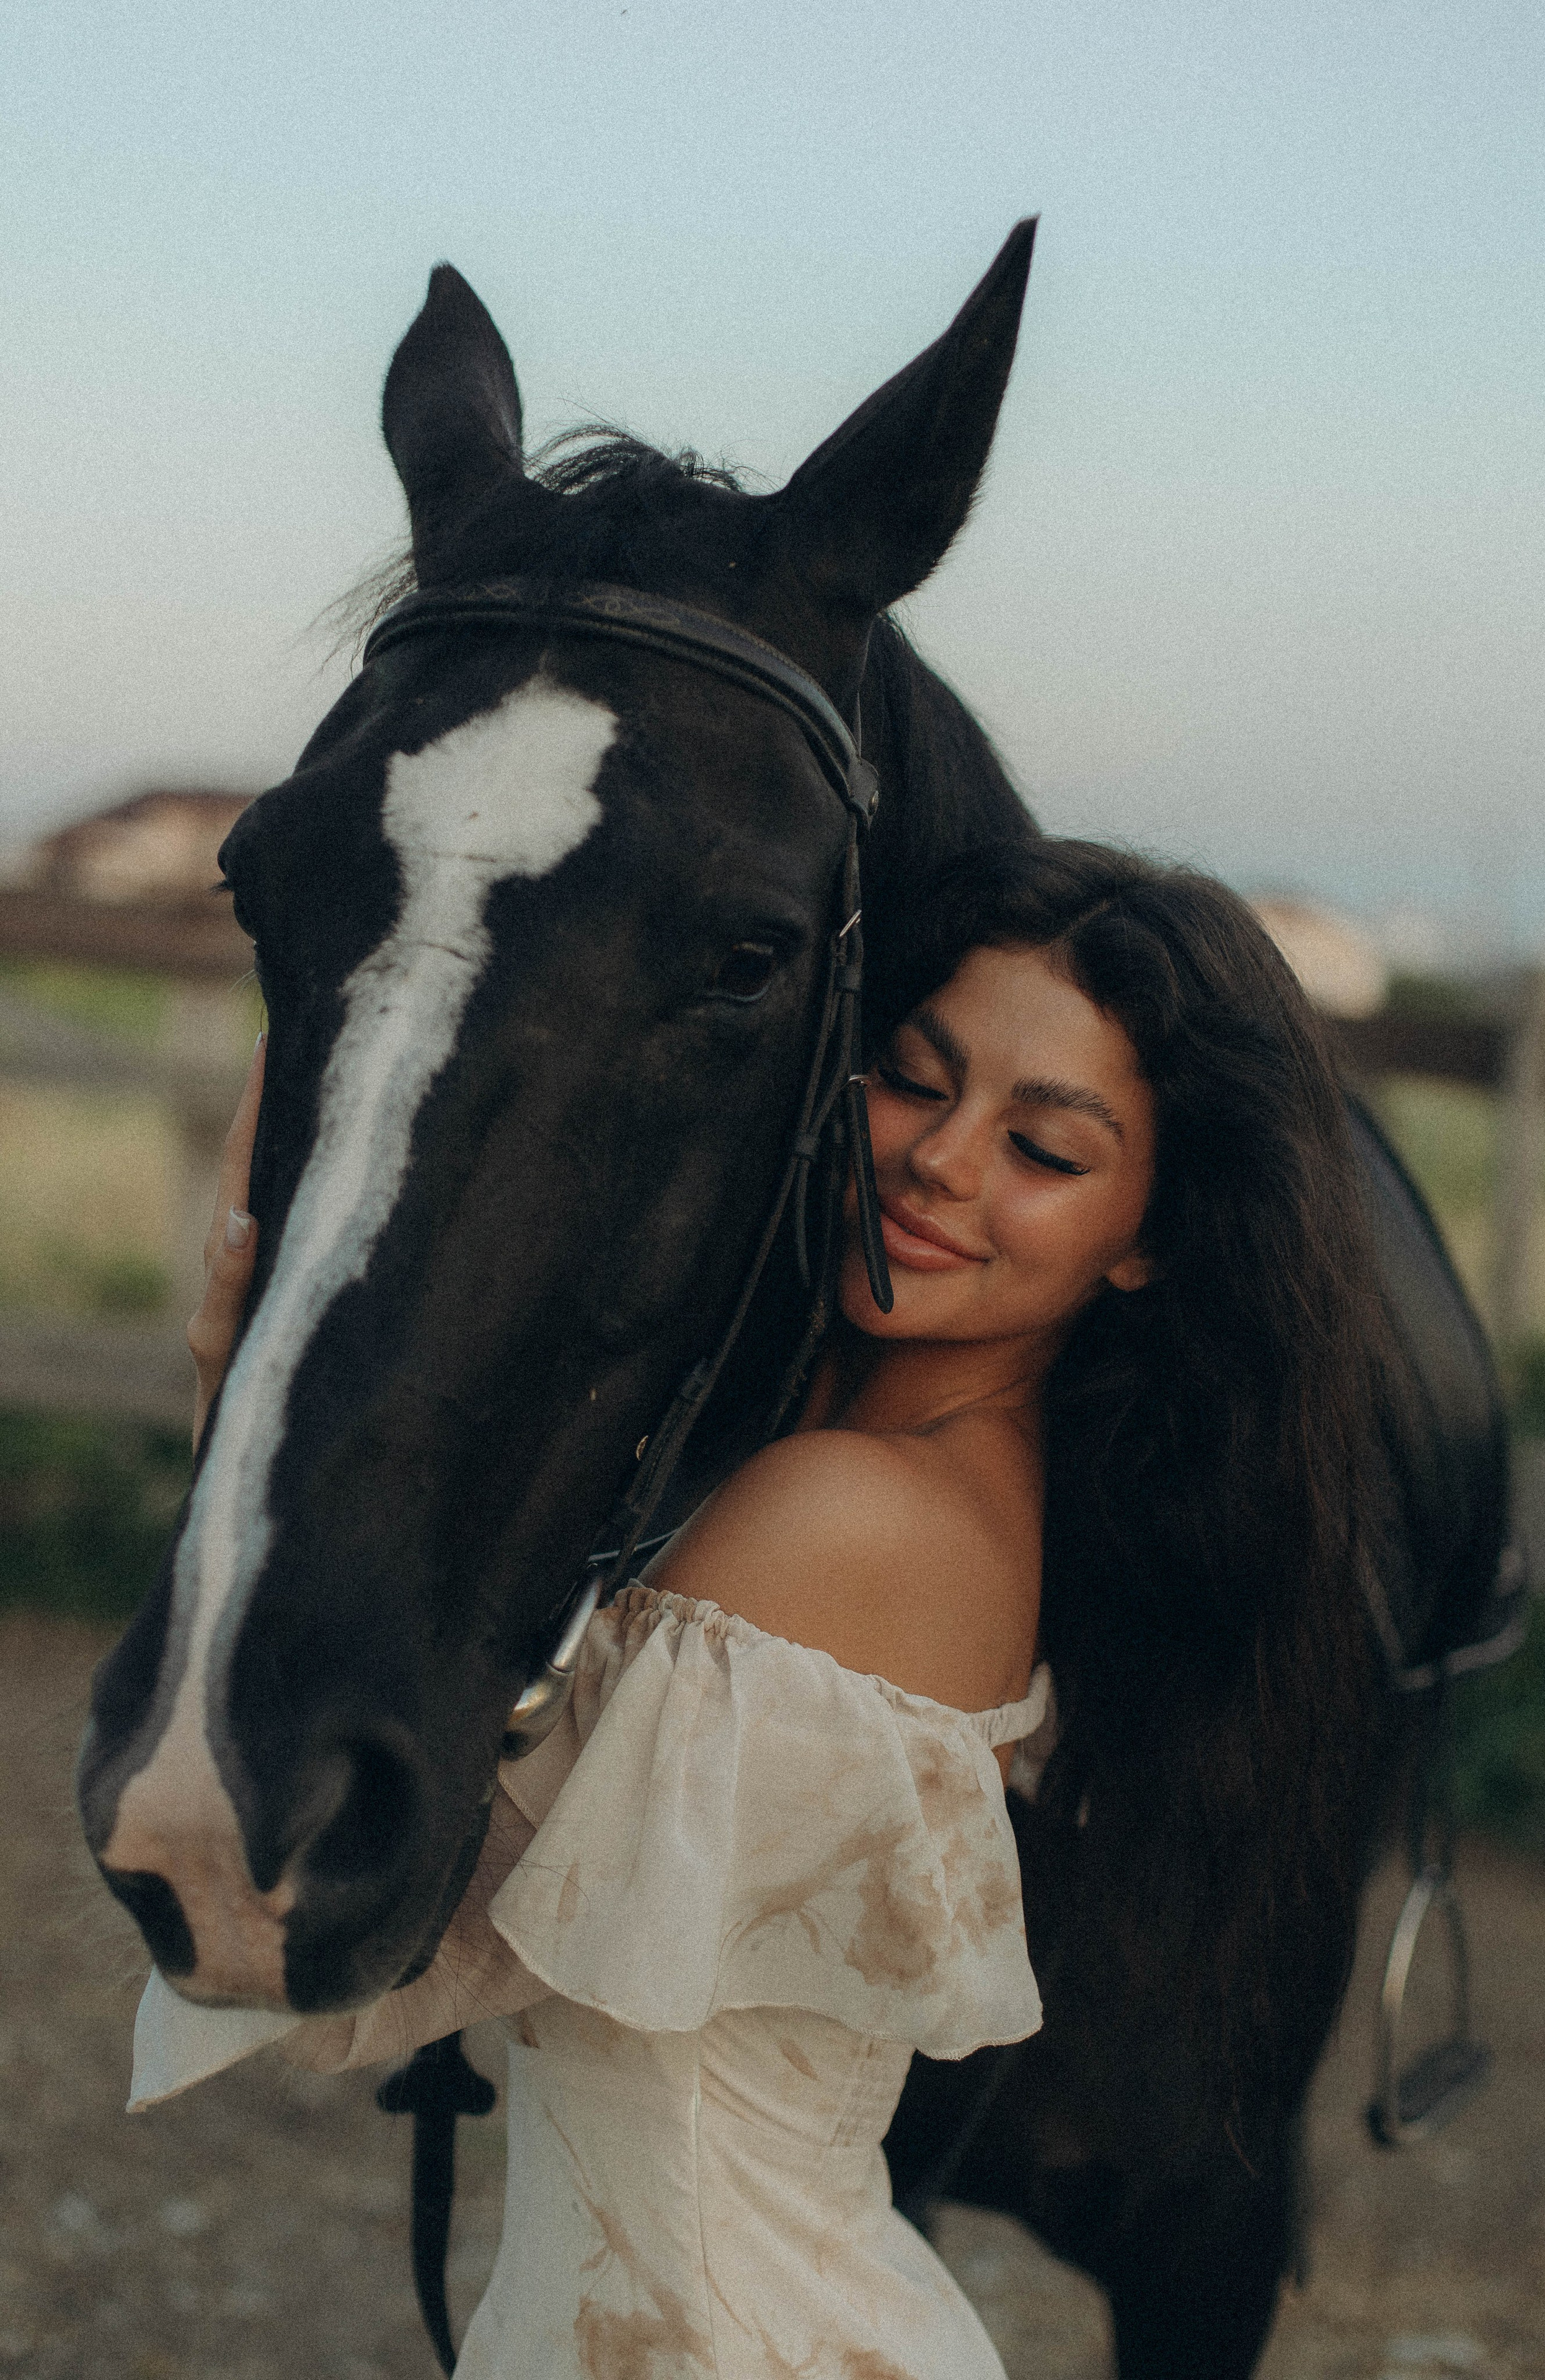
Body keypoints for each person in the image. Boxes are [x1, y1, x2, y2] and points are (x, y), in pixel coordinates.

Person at [128, 837, 1390, 2380]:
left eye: (1044, 1153)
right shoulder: (886, 1464)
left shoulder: (850, 1518)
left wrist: (239, 1365)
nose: (940, 1159)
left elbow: (355, 1933)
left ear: (1144, 1242)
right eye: (916, 1079)